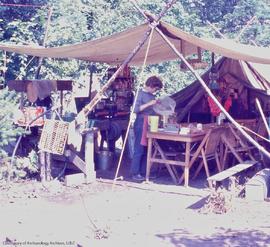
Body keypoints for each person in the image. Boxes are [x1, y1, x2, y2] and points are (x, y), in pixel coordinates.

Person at [130, 76, 163, 181]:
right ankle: (135, 173)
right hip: (140, 123)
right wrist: (149, 103)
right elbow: (135, 109)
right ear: (150, 85)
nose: (155, 91)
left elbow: (153, 110)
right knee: (139, 149)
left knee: (147, 149)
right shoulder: (139, 94)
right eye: (155, 88)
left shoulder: (151, 96)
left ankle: (144, 172)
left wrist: (158, 105)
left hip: (150, 123)